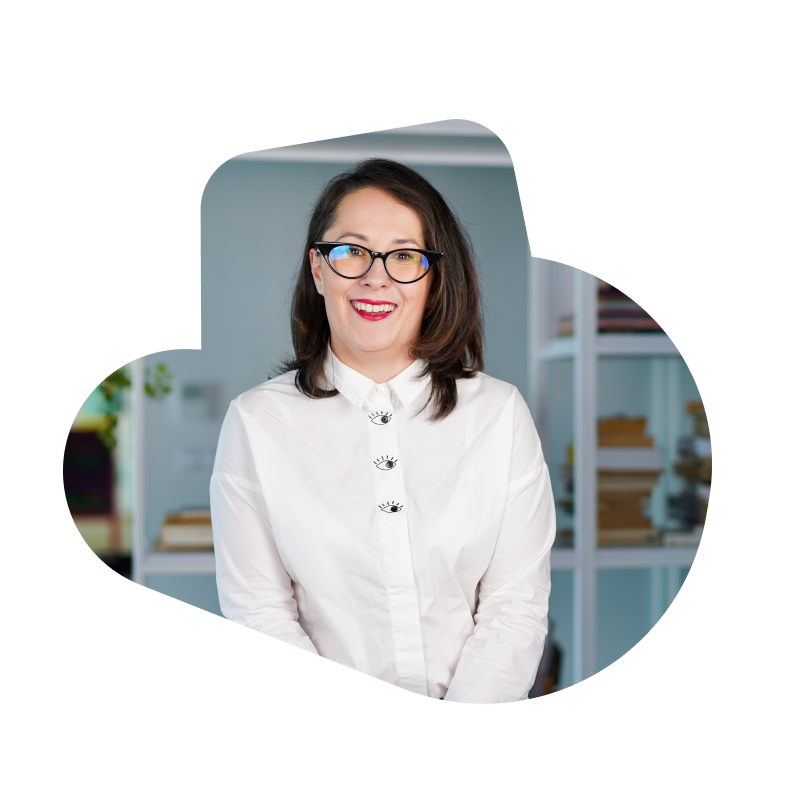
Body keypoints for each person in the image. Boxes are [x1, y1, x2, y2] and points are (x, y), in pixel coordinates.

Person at [210, 158, 556, 703]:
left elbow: (515, 605)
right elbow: (257, 611)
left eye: (404, 255)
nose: (377, 277)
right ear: (318, 270)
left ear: (433, 277)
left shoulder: (499, 414)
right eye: (352, 251)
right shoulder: (256, 424)